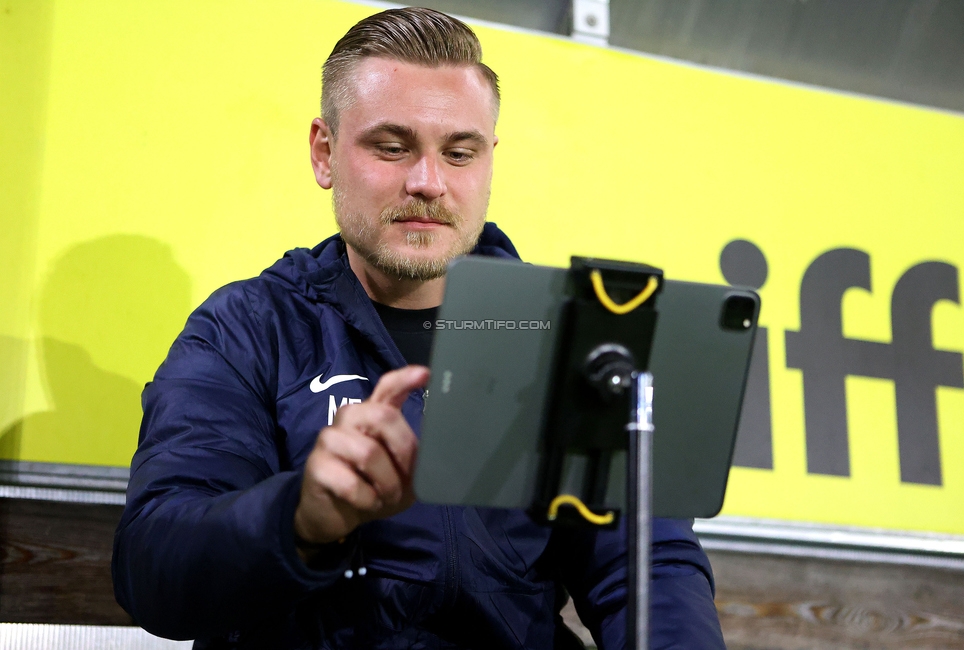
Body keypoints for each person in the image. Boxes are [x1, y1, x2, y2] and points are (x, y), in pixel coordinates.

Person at [112, 7, 726, 649]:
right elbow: (154, 569)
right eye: (392, 146)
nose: (428, 182)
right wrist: (298, 517)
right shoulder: (246, 330)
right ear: (325, 152)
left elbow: (645, 568)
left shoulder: (569, 342)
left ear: (489, 160)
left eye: (459, 153)